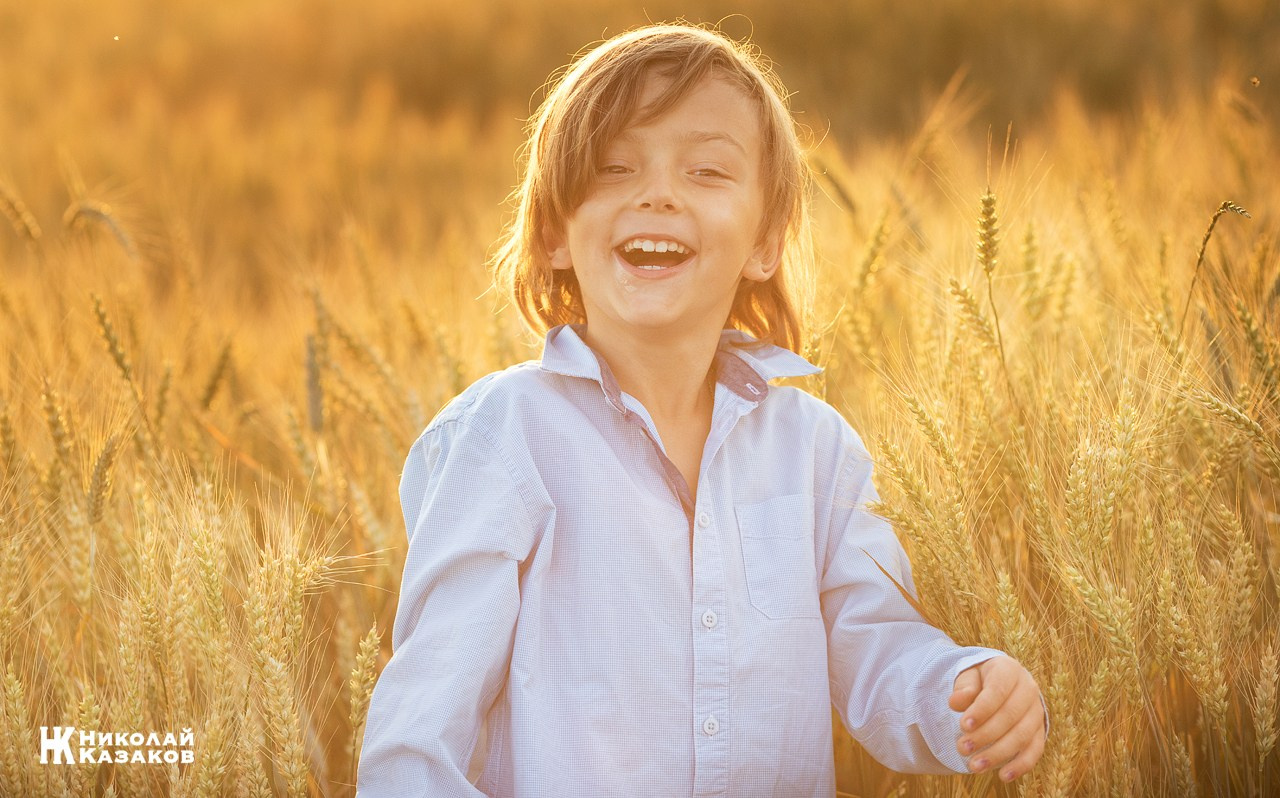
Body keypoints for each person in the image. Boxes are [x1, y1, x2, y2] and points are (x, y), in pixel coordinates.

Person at [356, 22, 1047, 797]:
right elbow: (416, 744)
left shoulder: (815, 451)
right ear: (553, 233)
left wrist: (961, 690)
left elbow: (877, 646)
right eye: (615, 167)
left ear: (765, 243)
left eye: (708, 170)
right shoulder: (504, 439)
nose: (658, 193)